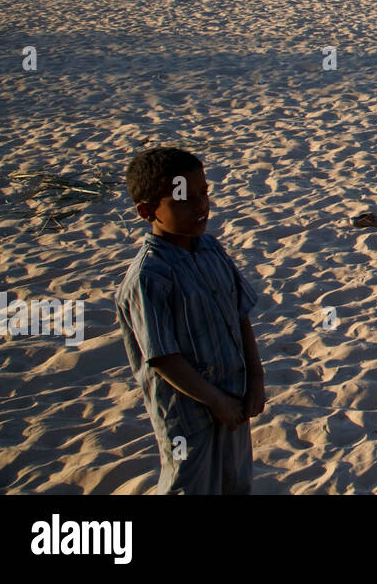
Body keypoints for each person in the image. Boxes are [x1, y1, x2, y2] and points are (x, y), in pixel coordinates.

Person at [115, 147, 265, 494]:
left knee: (236, 483)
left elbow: (239, 314)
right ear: (147, 211)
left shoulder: (211, 250)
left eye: (204, 193)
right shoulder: (150, 276)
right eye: (183, 199)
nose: (200, 206)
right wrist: (214, 401)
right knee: (190, 484)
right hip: (188, 415)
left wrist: (255, 378)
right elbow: (163, 357)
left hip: (235, 399)